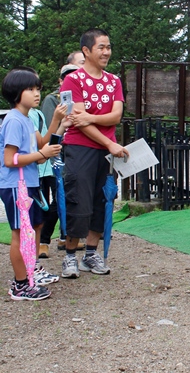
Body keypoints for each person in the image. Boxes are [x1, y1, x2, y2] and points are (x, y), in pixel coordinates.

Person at [59, 28, 128, 278]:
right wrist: (108, 141)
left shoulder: (114, 81)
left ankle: (90, 254)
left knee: (103, 201)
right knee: (79, 200)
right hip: (80, 148)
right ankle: (69, 256)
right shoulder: (72, 80)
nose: (106, 52)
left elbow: (116, 116)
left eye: (108, 47)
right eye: (101, 47)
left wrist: (90, 116)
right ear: (86, 51)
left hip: (106, 153)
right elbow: (78, 121)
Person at [1, 68, 66, 300]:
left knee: (34, 227)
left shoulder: (28, 118)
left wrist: (58, 121)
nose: (37, 93)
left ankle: (30, 274)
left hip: (28, 183)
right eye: (31, 89)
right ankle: (20, 284)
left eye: (38, 88)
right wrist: (42, 155)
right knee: (20, 233)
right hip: (15, 185)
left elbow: (41, 142)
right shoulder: (14, 121)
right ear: (16, 93)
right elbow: (10, 159)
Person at [38, 62, 85, 257]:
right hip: (52, 154)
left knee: (66, 197)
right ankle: (43, 240)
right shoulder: (52, 99)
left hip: (74, 152)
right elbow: (51, 131)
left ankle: (65, 236)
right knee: (54, 199)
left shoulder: (83, 97)